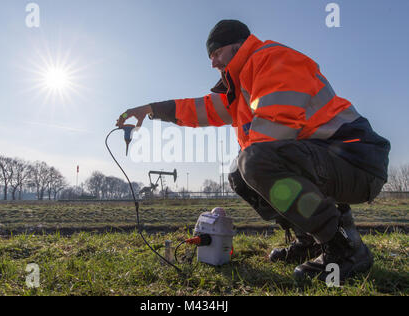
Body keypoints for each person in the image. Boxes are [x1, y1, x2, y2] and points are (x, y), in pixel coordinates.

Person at [116, 20, 391, 282]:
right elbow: (199, 108)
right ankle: (309, 242)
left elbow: (275, 132)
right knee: (240, 173)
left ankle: (344, 248)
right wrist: (152, 109)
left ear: (238, 45)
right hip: (328, 160)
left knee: (254, 162)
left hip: (356, 160)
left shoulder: (272, 60)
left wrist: (253, 166)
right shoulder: (241, 87)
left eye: (216, 52)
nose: (211, 62)